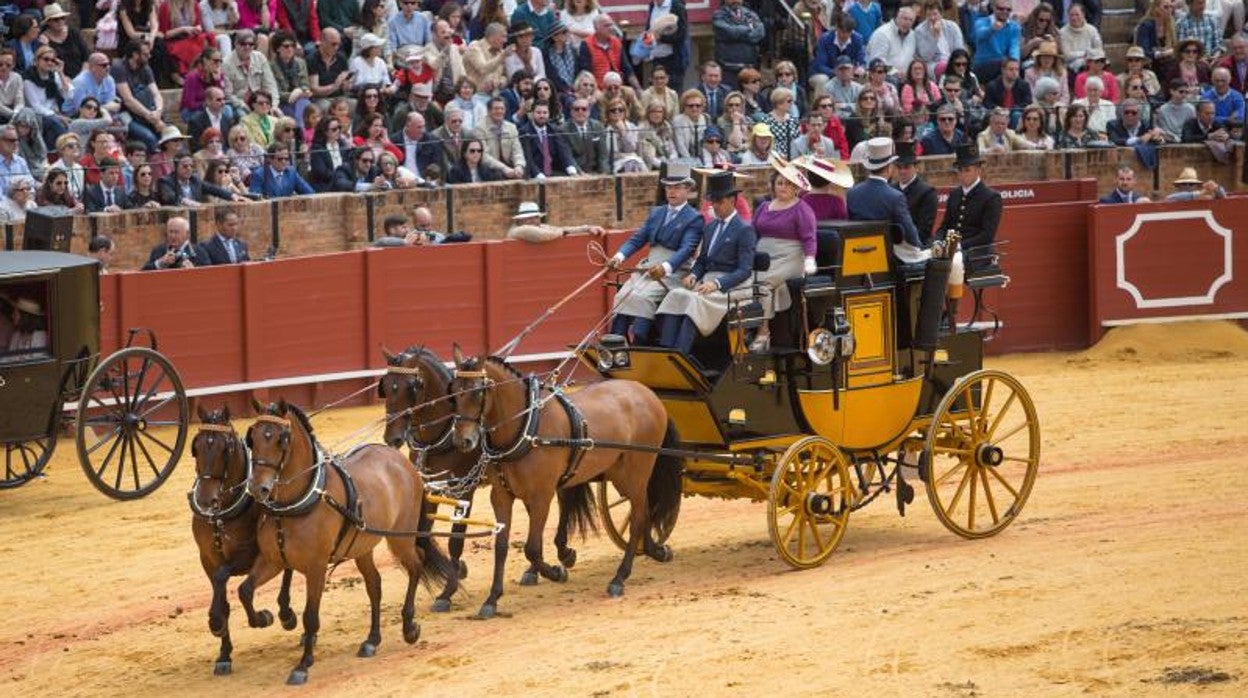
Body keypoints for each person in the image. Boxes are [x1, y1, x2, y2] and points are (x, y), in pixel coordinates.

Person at [654, 170, 758, 355]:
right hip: (706, 283)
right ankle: (666, 351)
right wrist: (693, 275)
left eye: (720, 201)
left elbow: (745, 270)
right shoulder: (710, 227)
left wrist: (716, 284)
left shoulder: (744, 230)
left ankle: (681, 354)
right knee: (676, 295)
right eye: (713, 201)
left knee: (695, 302)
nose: (715, 206)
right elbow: (702, 261)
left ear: (732, 201)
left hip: (733, 286)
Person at [606, 163, 704, 345]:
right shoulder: (657, 213)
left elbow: (687, 249)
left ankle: (640, 341)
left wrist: (665, 267)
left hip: (674, 272)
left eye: (677, 187)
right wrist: (618, 256)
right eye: (668, 187)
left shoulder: (694, 217)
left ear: (688, 189)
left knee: (641, 296)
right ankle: (615, 341)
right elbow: (637, 239)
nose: (671, 191)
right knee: (624, 294)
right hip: (648, 267)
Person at [747, 156, 818, 352]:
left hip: (791, 257)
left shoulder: (802, 209)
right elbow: (752, 232)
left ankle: (763, 331)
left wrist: (810, 259)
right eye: (779, 183)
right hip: (762, 257)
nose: (783, 187)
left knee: (762, 282)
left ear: (796, 186)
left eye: (787, 183)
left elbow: (809, 238)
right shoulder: (763, 206)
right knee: (744, 280)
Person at [934, 143, 1001, 311]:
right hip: (953, 249)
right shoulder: (955, 194)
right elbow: (944, 226)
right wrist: (937, 241)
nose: (962, 174)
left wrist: (958, 246)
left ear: (978, 170)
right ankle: (935, 309)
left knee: (951, 263)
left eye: (967, 170)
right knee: (930, 260)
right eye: (960, 170)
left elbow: (987, 235)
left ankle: (950, 311)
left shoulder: (991, 197)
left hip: (977, 253)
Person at [847, 137, 928, 267]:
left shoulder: (852, 193)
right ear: (889, 167)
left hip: (856, 257)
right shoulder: (895, 197)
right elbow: (911, 236)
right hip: (887, 260)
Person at [112, 40, 166, 153]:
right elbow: (128, 100)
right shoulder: (119, 68)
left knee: (170, 133)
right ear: (135, 54)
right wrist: (152, 118)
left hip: (148, 112)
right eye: (146, 54)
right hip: (125, 114)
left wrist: (158, 111)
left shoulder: (145, 68)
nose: (149, 56)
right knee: (149, 138)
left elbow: (156, 93)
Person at [159, 153, 249, 206]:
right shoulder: (165, 181)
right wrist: (185, 201)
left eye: (191, 166)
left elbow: (214, 189)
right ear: (176, 167)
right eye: (185, 166)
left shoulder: (195, 180)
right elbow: (170, 197)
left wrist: (232, 196)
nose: (189, 168)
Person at [711, 0, 764, 87]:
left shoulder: (750, 14)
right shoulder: (719, 15)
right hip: (729, 69)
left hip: (749, 68)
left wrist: (737, 33)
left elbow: (760, 33)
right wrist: (748, 29)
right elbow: (729, 32)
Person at [893, 141, 938, 243]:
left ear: (916, 167)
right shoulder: (891, 189)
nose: (902, 171)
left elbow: (924, 230)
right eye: (899, 167)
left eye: (907, 167)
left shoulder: (927, 192)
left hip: (916, 244)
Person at [520, 102, 579, 177]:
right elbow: (527, 157)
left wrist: (571, 169)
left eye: (545, 113)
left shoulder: (554, 129)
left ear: (549, 114)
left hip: (554, 171)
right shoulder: (524, 131)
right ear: (532, 114)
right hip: (534, 174)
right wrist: (538, 174)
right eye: (538, 112)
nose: (542, 115)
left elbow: (563, 151)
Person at [972, 0, 1022, 83]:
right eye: (1001, 9)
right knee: (1004, 68)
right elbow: (979, 35)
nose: (1004, 12)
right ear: (993, 7)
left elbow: (1014, 47)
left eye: (1008, 9)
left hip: (1004, 65)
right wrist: (992, 29)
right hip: (983, 64)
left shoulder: (1014, 27)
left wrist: (1014, 63)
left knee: (1017, 69)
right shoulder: (981, 22)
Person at [506, 200, 605, 241]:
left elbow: (561, 228)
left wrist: (587, 228)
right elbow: (543, 235)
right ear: (520, 221)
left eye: (536, 217)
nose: (534, 221)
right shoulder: (518, 230)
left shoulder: (541, 227)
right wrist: (562, 232)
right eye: (529, 218)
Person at [913, 0, 964, 74]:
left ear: (941, 14)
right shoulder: (919, 31)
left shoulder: (953, 27)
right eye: (929, 15)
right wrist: (934, 38)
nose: (932, 18)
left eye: (935, 14)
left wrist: (954, 63)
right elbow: (926, 57)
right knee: (943, 67)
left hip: (953, 62)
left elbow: (959, 50)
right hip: (932, 64)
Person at [143, 216, 211, 270]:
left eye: (176, 232)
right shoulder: (158, 250)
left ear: (187, 234)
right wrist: (160, 263)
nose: (172, 236)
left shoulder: (199, 252)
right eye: (170, 232)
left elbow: (209, 277)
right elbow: (143, 274)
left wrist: (193, 271)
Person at [561, 97, 608, 174]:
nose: (580, 112)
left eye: (584, 109)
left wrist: (604, 173)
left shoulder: (598, 126)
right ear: (571, 112)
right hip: (575, 172)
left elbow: (603, 155)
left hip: (595, 171)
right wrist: (581, 174)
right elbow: (568, 157)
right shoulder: (563, 129)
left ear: (589, 112)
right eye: (576, 109)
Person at [249, 142, 315, 197]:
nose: (283, 162)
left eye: (286, 159)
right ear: (270, 159)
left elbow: (310, 193)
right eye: (280, 159)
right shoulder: (259, 174)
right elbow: (255, 199)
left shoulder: (291, 172)